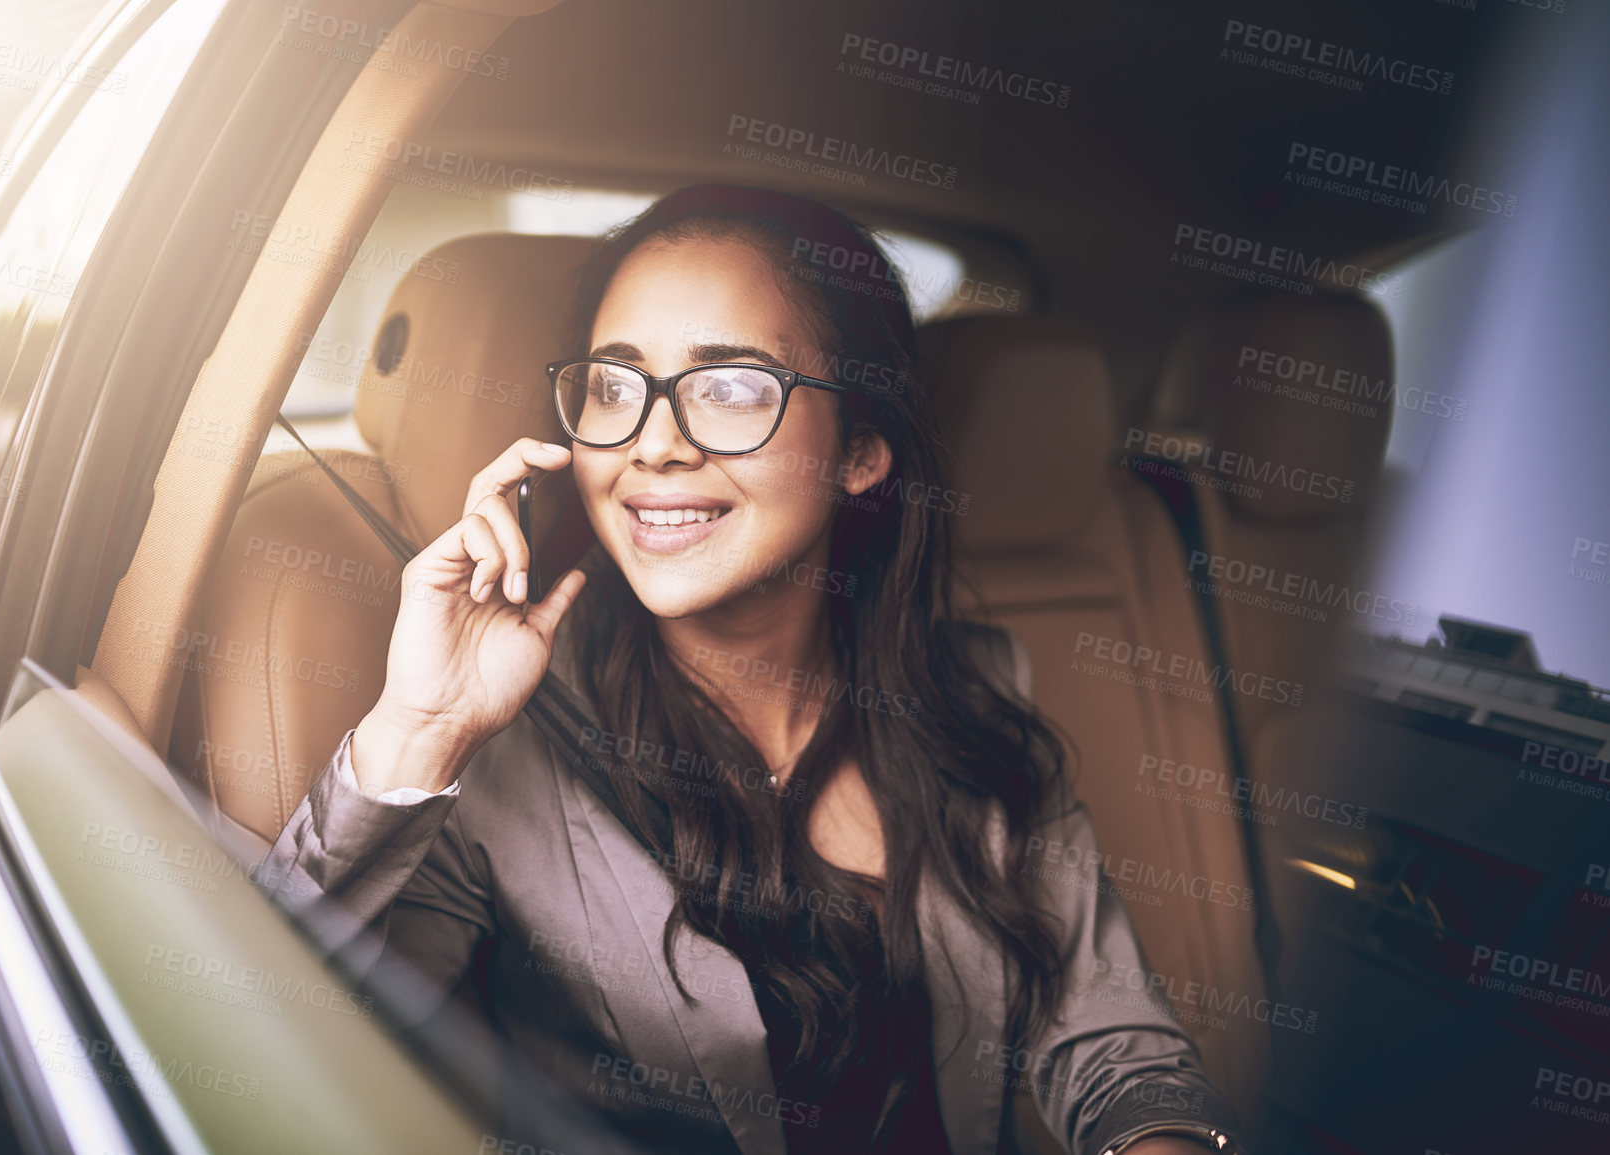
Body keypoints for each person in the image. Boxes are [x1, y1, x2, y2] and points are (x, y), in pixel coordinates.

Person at [261, 184, 1247, 1155]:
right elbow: (271, 1057)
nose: (651, 445)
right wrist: (420, 727)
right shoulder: (497, 747)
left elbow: (1116, 1051)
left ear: (861, 451)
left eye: (731, 387)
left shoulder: (975, 694)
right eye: (613, 384)